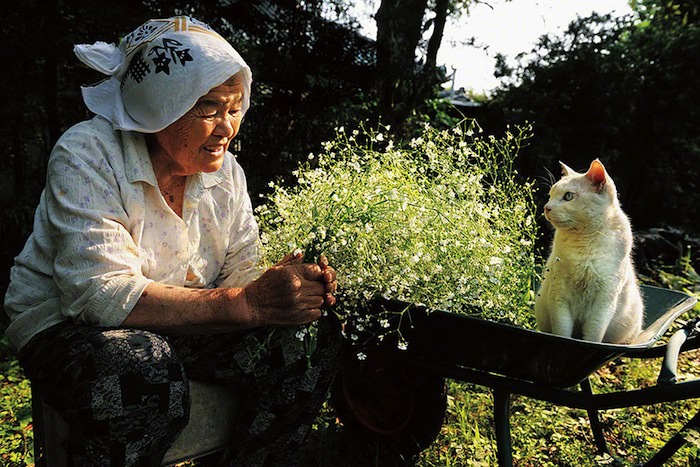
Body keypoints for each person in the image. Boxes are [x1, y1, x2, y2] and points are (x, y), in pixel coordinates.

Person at [3, 16, 340, 466]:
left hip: (183, 318)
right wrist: (246, 303)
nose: (227, 127)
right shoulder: (87, 152)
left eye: (235, 108)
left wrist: (283, 288)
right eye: (210, 108)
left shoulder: (227, 174)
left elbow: (241, 271)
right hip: (65, 324)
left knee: (309, 342)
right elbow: (98, 297)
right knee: (143, 367)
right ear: (159, 104)